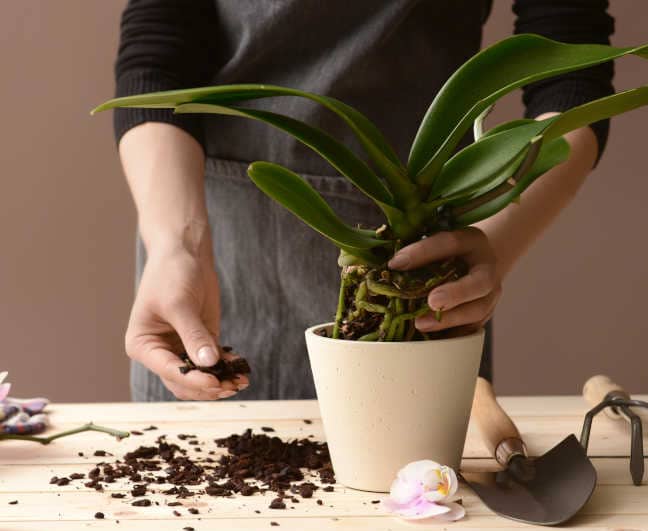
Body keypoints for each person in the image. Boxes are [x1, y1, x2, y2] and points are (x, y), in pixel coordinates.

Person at [113, 0, 615, 402]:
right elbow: (159, 50)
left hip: (421, 265)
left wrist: (492, 243)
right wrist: (175, 245)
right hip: (214, 250)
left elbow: (571, 67)